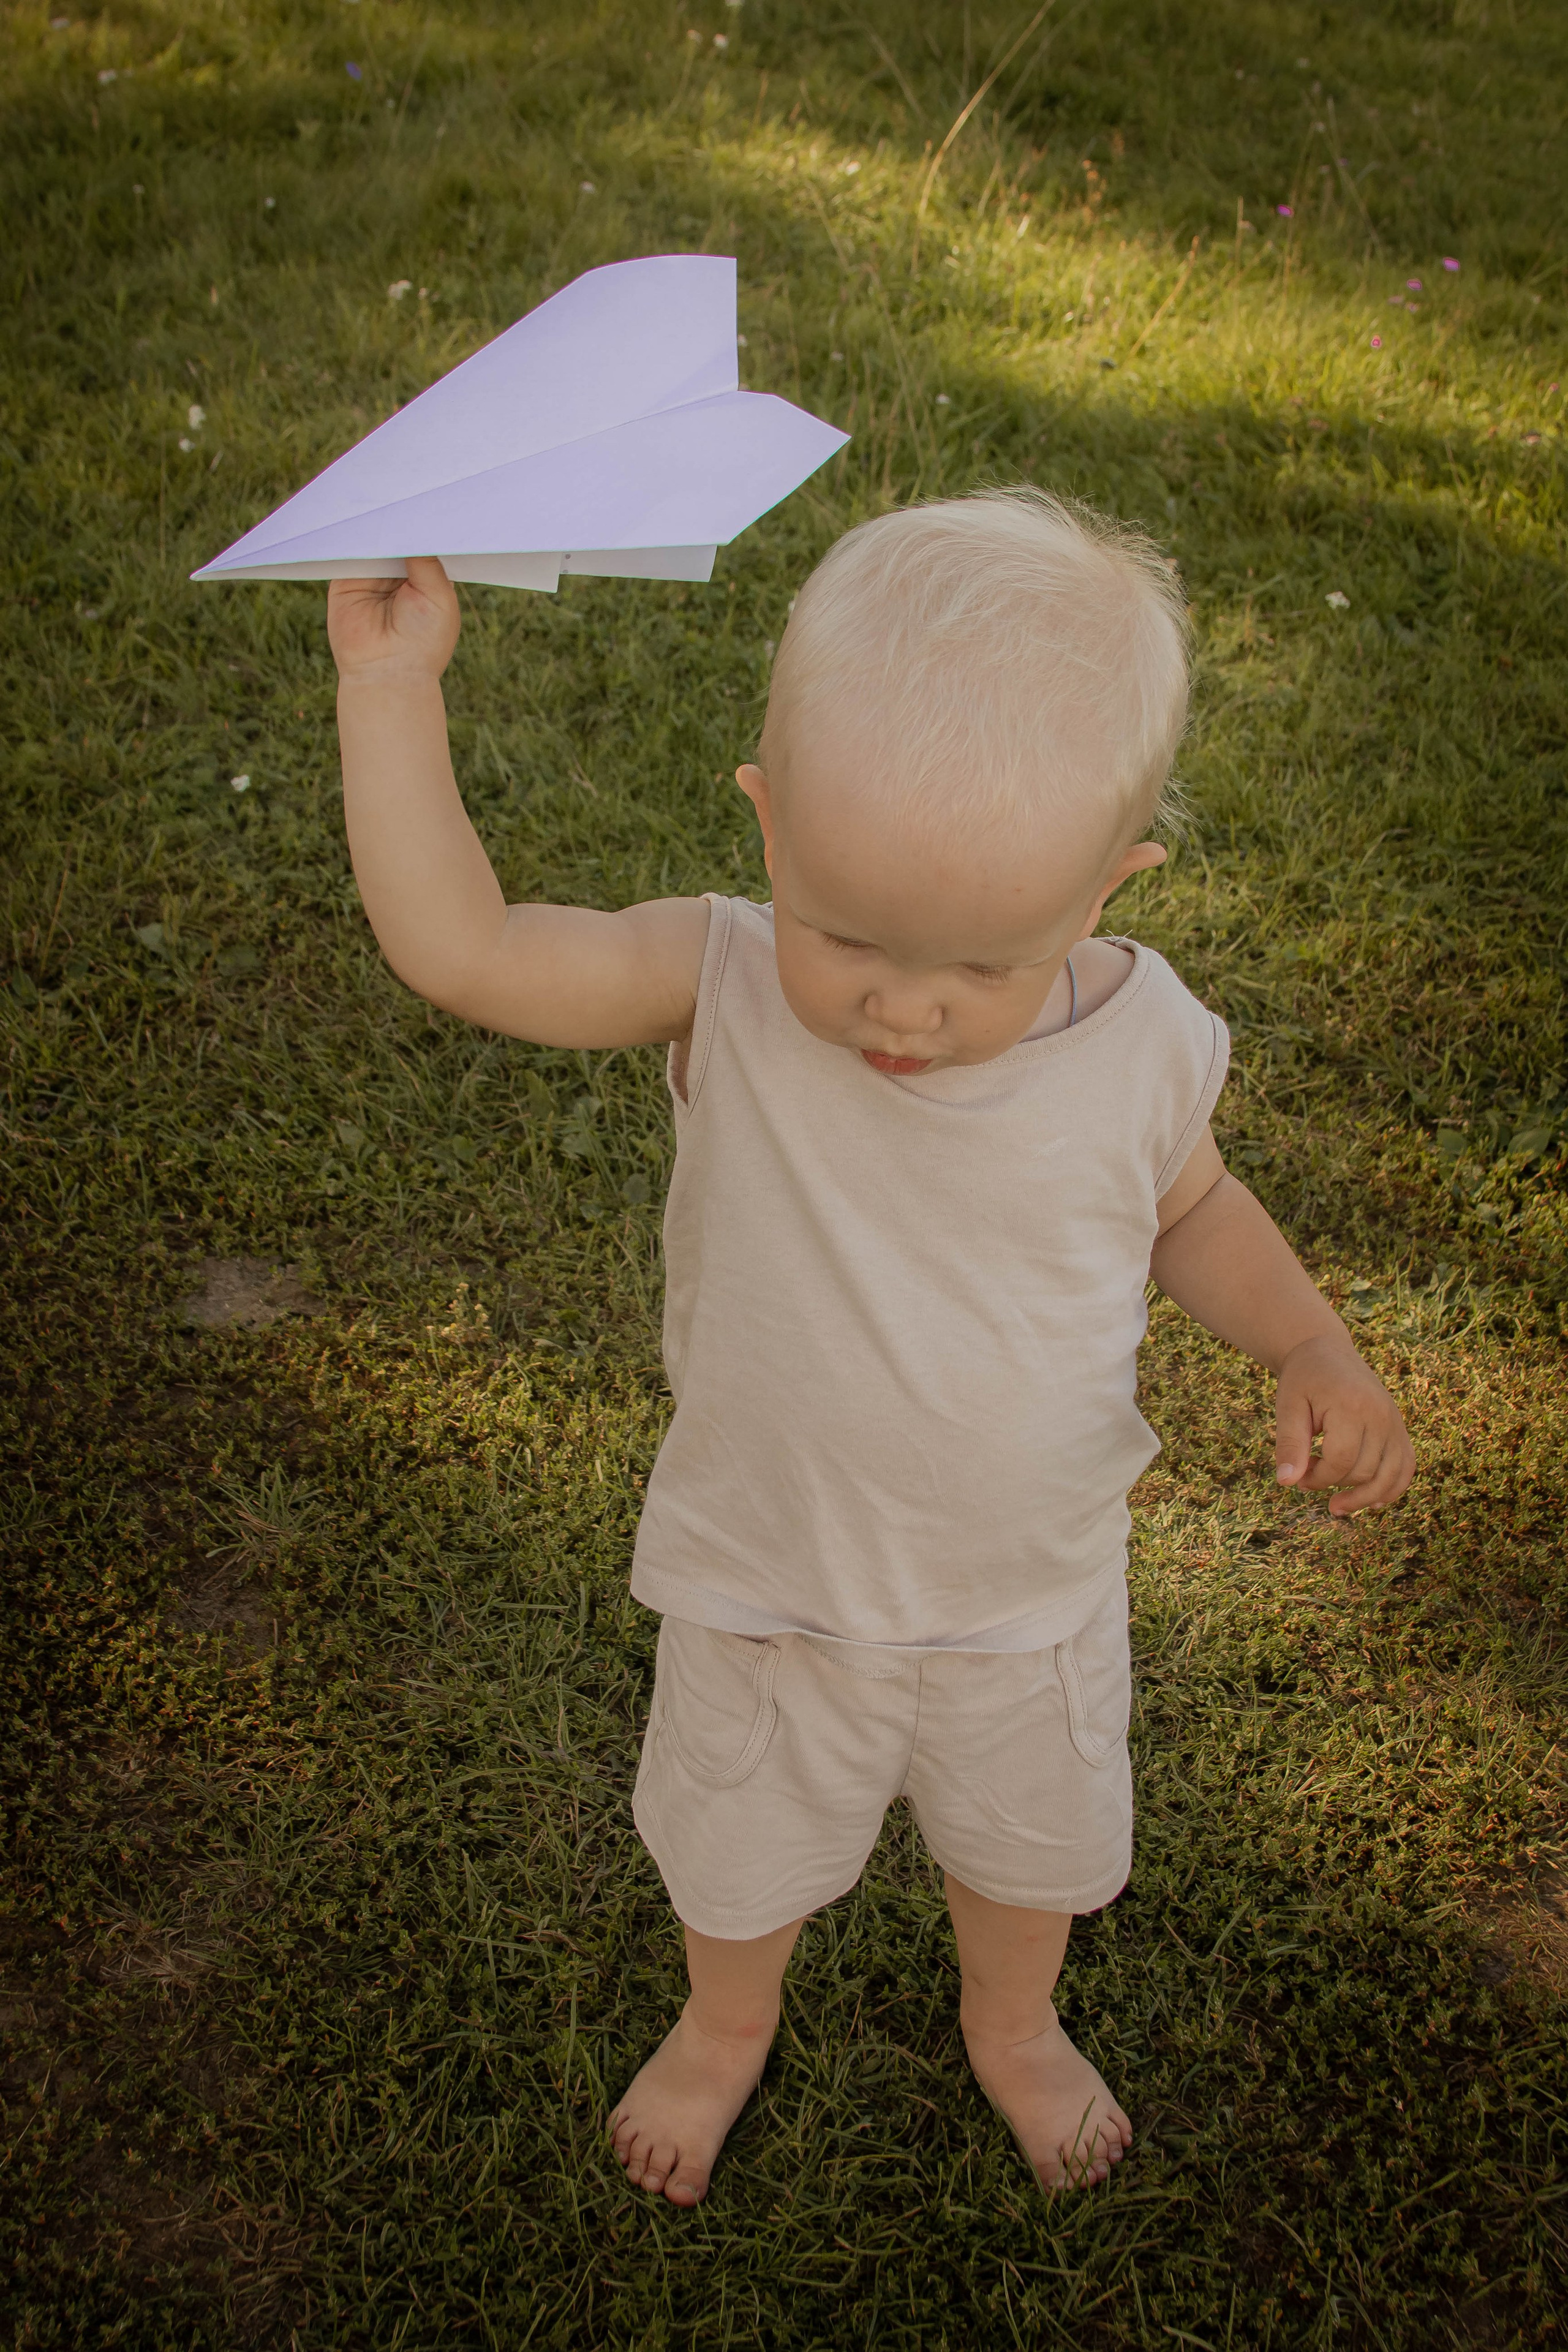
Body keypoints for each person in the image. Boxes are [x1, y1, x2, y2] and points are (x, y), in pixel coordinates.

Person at [327, 489, 1414, 2207]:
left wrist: (1309, 1339)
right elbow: (472, 952)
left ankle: (1015, 2024)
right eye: (844, 937)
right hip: (771, 1588)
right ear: (767, 824)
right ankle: (724, 2025)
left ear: (1109, 889)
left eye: (981, 963)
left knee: (1026, 1857)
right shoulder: (720, 980)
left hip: (1028, 1601)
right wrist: (390, 690)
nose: (901, 1009)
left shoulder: (1142, 1046)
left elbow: (1194, 1207)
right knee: (738, 1857)